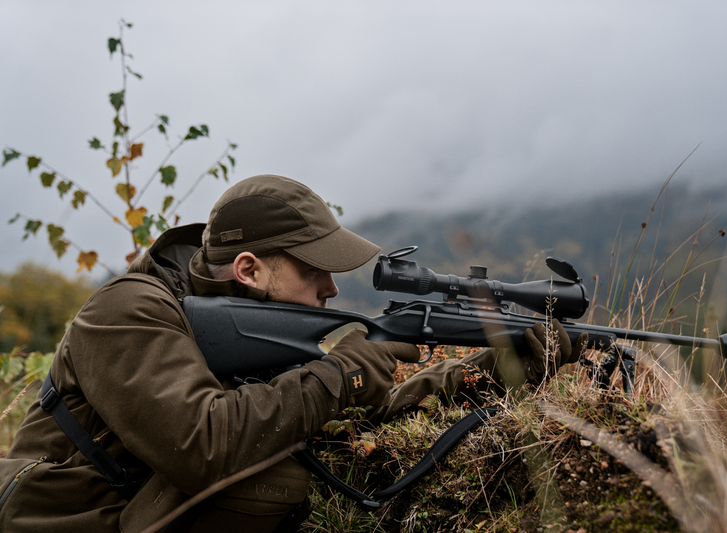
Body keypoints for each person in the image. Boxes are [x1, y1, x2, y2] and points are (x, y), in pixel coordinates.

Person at [0, 175, 586, 532]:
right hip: (60, 519)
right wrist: (343, 372)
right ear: (249, 270)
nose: (331, 289)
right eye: (314, 271)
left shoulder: (253, 327)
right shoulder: (127, 310)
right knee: (270, 473)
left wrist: (497, 367)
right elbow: (201, 446)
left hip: (138, 509)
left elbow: (357, 413)